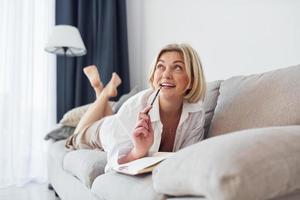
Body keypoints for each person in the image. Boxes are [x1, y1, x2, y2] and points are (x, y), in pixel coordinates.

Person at [65, 43, 207, 172]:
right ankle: (103, 92)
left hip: (119, 125)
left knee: (113, 119)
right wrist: (138, 151)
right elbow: (113, 165)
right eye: (161, 66)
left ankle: (103, 91)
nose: (166, 74)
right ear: (153, 75)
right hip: (104, 131)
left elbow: (188, 159)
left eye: (177, 67)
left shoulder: (196, 114)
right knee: (74, 137)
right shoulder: (136, 106)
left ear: (191, 80)